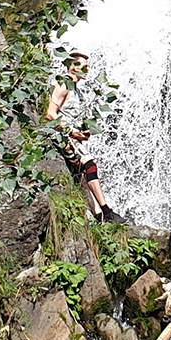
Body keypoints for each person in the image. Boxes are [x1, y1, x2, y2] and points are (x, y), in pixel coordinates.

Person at [47, 53, 117, 222]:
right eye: (83, 66)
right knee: (89, 164)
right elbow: (50, 114)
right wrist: (71, 132)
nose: (87, 70)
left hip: (73, 137)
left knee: (81, 177)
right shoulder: (63, 85)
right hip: (64, 136)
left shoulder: (74, 89)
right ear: (73, 67)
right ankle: (107, 211)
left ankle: (99, 218)